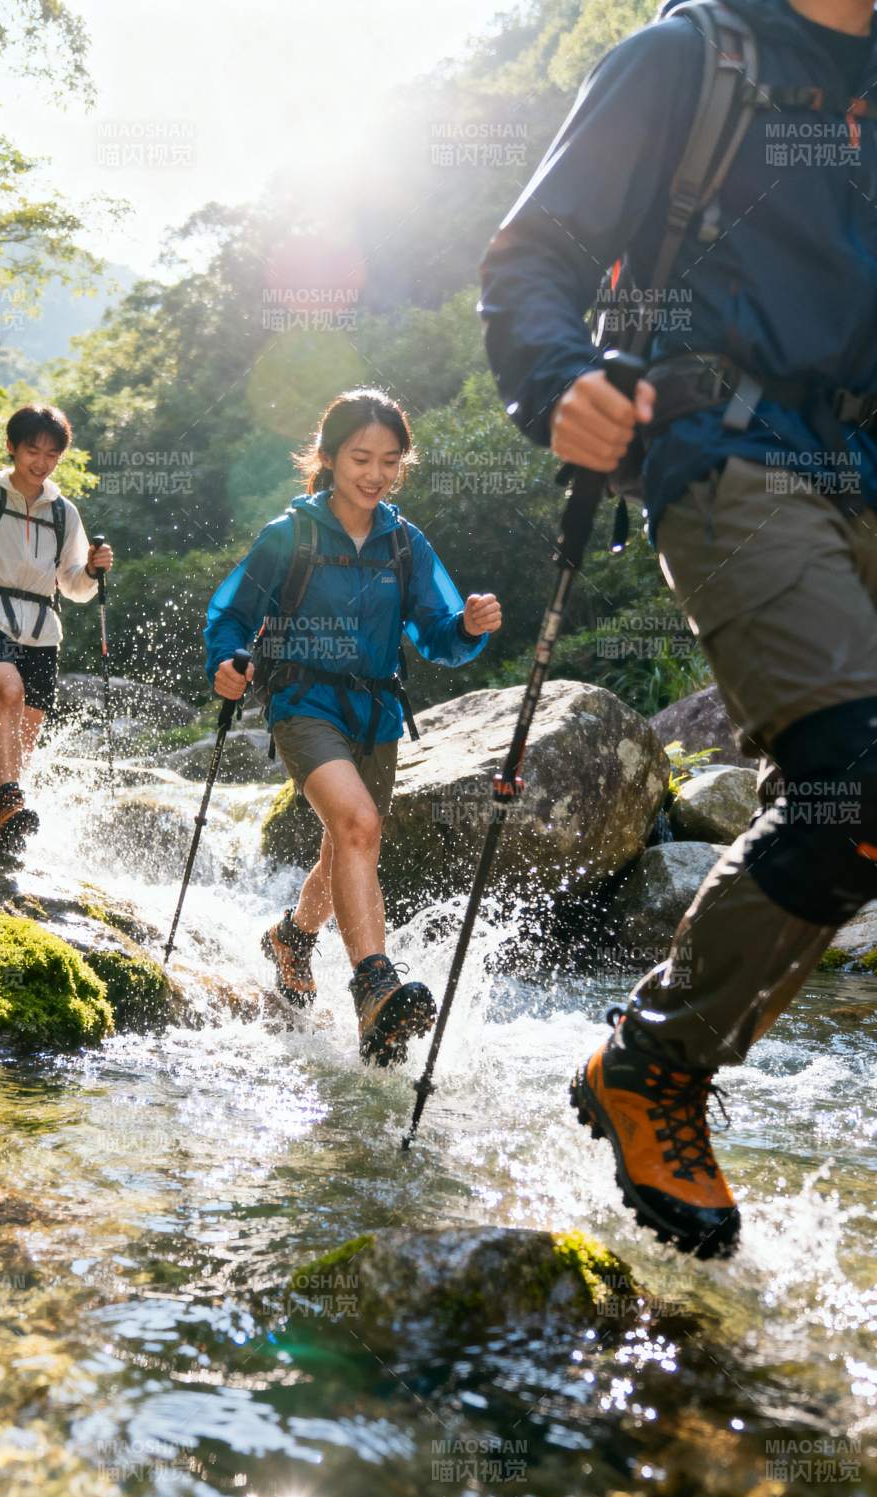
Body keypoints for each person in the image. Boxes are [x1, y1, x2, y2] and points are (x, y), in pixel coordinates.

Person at [480, 0, 877, 1259]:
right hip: (733, 453)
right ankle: (653, 1064)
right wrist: (556, 381)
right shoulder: (693, 58)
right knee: (853, 785)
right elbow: (531, 257)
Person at [205, 388, 502, 1065]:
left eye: (390, 461)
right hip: (302, 705)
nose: (375, 474)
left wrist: (468, 625)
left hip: (376, 715)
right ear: (329, 457)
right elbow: (230, 618)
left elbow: (438, 633)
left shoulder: (405, 542)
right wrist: (228, 663)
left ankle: (292, 938)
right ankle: (373, 984)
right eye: (361, 458)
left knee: (344, 847)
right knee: (359, 825)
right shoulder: (290, 537)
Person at [0, 403, 113, 856]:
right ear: (12, 447)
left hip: (42, 627)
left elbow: (73, 585)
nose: (41, 461)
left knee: (29, 727)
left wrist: (90, 568)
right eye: (33, 450)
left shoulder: (64, 513)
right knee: (8, 693)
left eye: (52, 454)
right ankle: (11, 800)